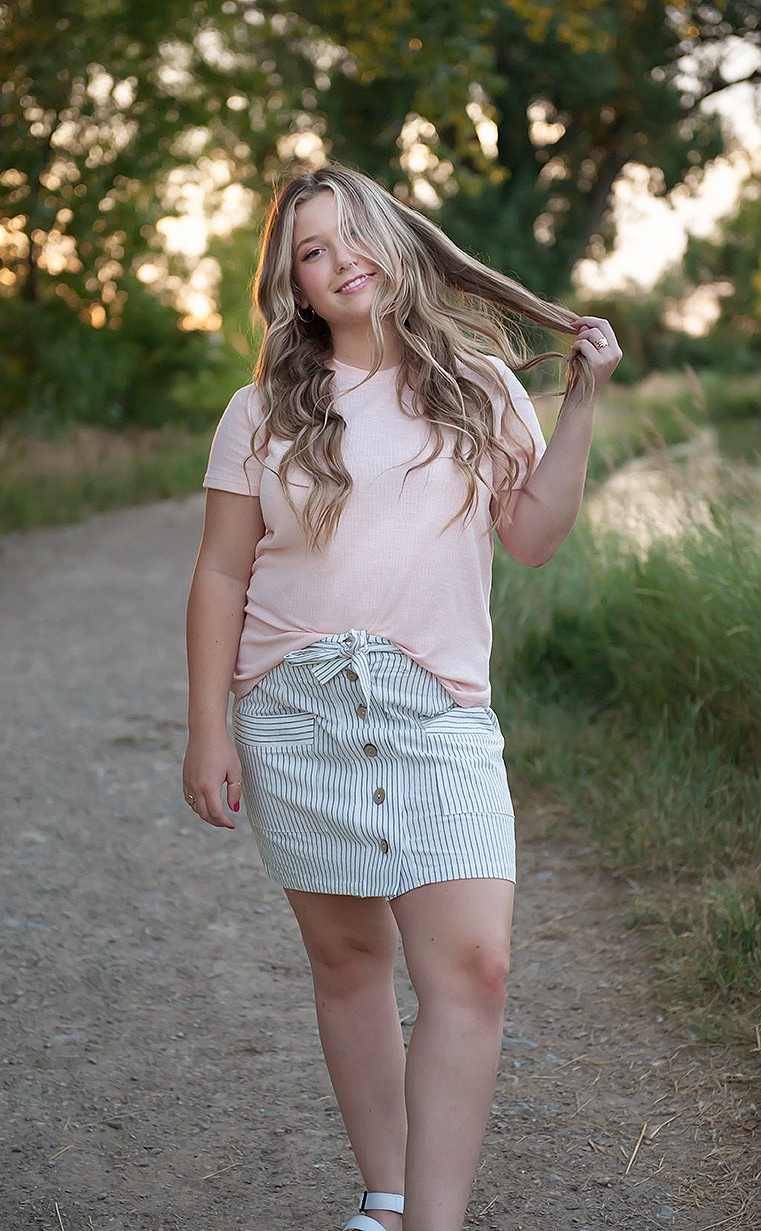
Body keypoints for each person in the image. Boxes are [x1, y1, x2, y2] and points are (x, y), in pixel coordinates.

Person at [182, 162, 622, 1231]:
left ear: (393, 237)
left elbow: (533, 539)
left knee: (475, 967)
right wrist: (206, 731)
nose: (339, 263)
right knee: (348, 959)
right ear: (293, 287)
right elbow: (222, 574)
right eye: (310, 253)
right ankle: (387, 1197)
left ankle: (438, 1220)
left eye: (349, 235)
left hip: (438, 713)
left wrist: (583, 404)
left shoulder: (479, 386)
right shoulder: (261, 411)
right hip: (295, 709)